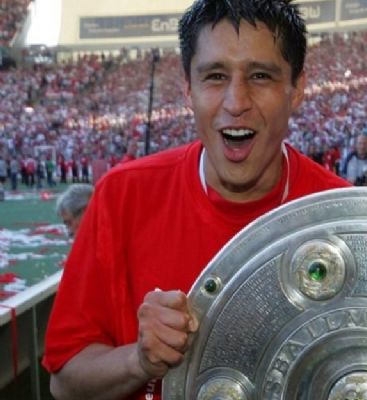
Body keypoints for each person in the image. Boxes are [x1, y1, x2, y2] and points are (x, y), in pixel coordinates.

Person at [42, 1, 349, 399]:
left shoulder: (346, 216)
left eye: (260, 76)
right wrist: (139, 361)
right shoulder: (122, 196)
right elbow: (64, 382)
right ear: (188, 89)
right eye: (215, 76)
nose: (236, 102)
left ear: (297, 89)